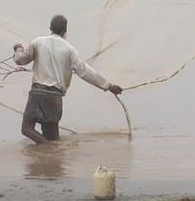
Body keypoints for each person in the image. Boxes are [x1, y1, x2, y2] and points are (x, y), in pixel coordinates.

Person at [13, 14, 123, 144]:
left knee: (27, 129)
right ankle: (54, 155)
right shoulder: (69, 49)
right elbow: (85, 71)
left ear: (50, 27)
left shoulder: (38, 42)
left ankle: (49, 151)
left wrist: (18, 49)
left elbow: (21, 60)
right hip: (55, 98)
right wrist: (108, 86)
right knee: (53, 137)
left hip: (38, 94)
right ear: (65, 31)